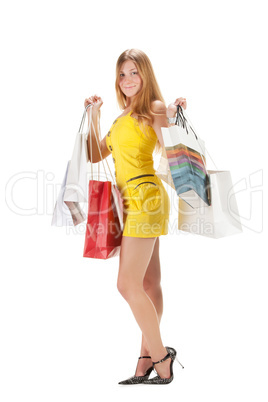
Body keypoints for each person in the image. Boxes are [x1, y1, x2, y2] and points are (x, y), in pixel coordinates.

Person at [84, 48, 186, 385]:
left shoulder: (152, 108)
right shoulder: (121, 117)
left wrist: (173, 115)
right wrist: (94, 114)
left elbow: (171, 145)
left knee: (126, 284)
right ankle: (144, 361)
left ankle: (161, 357)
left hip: (146, 199)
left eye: (134, 72)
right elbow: (95, 154)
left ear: (145, 75)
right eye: (122, 74)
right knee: (148, 283)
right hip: (128, 202)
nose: (127, 80)